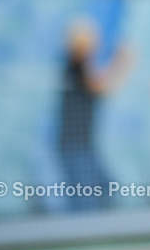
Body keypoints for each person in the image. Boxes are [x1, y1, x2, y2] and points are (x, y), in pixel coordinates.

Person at [57, 20, 133, 210]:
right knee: (86, 195)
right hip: (73, 143)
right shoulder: (77, 64)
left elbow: (104, 87)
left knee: (101, 187)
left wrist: (121, 64)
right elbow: (99, 87)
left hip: (83, 142)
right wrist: (120, 62)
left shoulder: (81, 65)